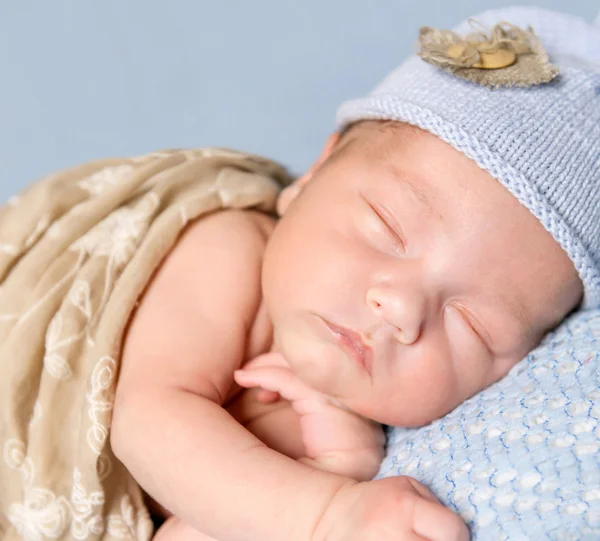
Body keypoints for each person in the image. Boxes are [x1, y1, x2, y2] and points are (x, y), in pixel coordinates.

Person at [1, 6, 598, 541]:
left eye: (474, 326)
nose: (401, 306)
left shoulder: (357, 439)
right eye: (385, 227)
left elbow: (193, 518)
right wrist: (325, 513)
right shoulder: (222, 248)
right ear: (312, 176)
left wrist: (339, 468)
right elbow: (145, 425)